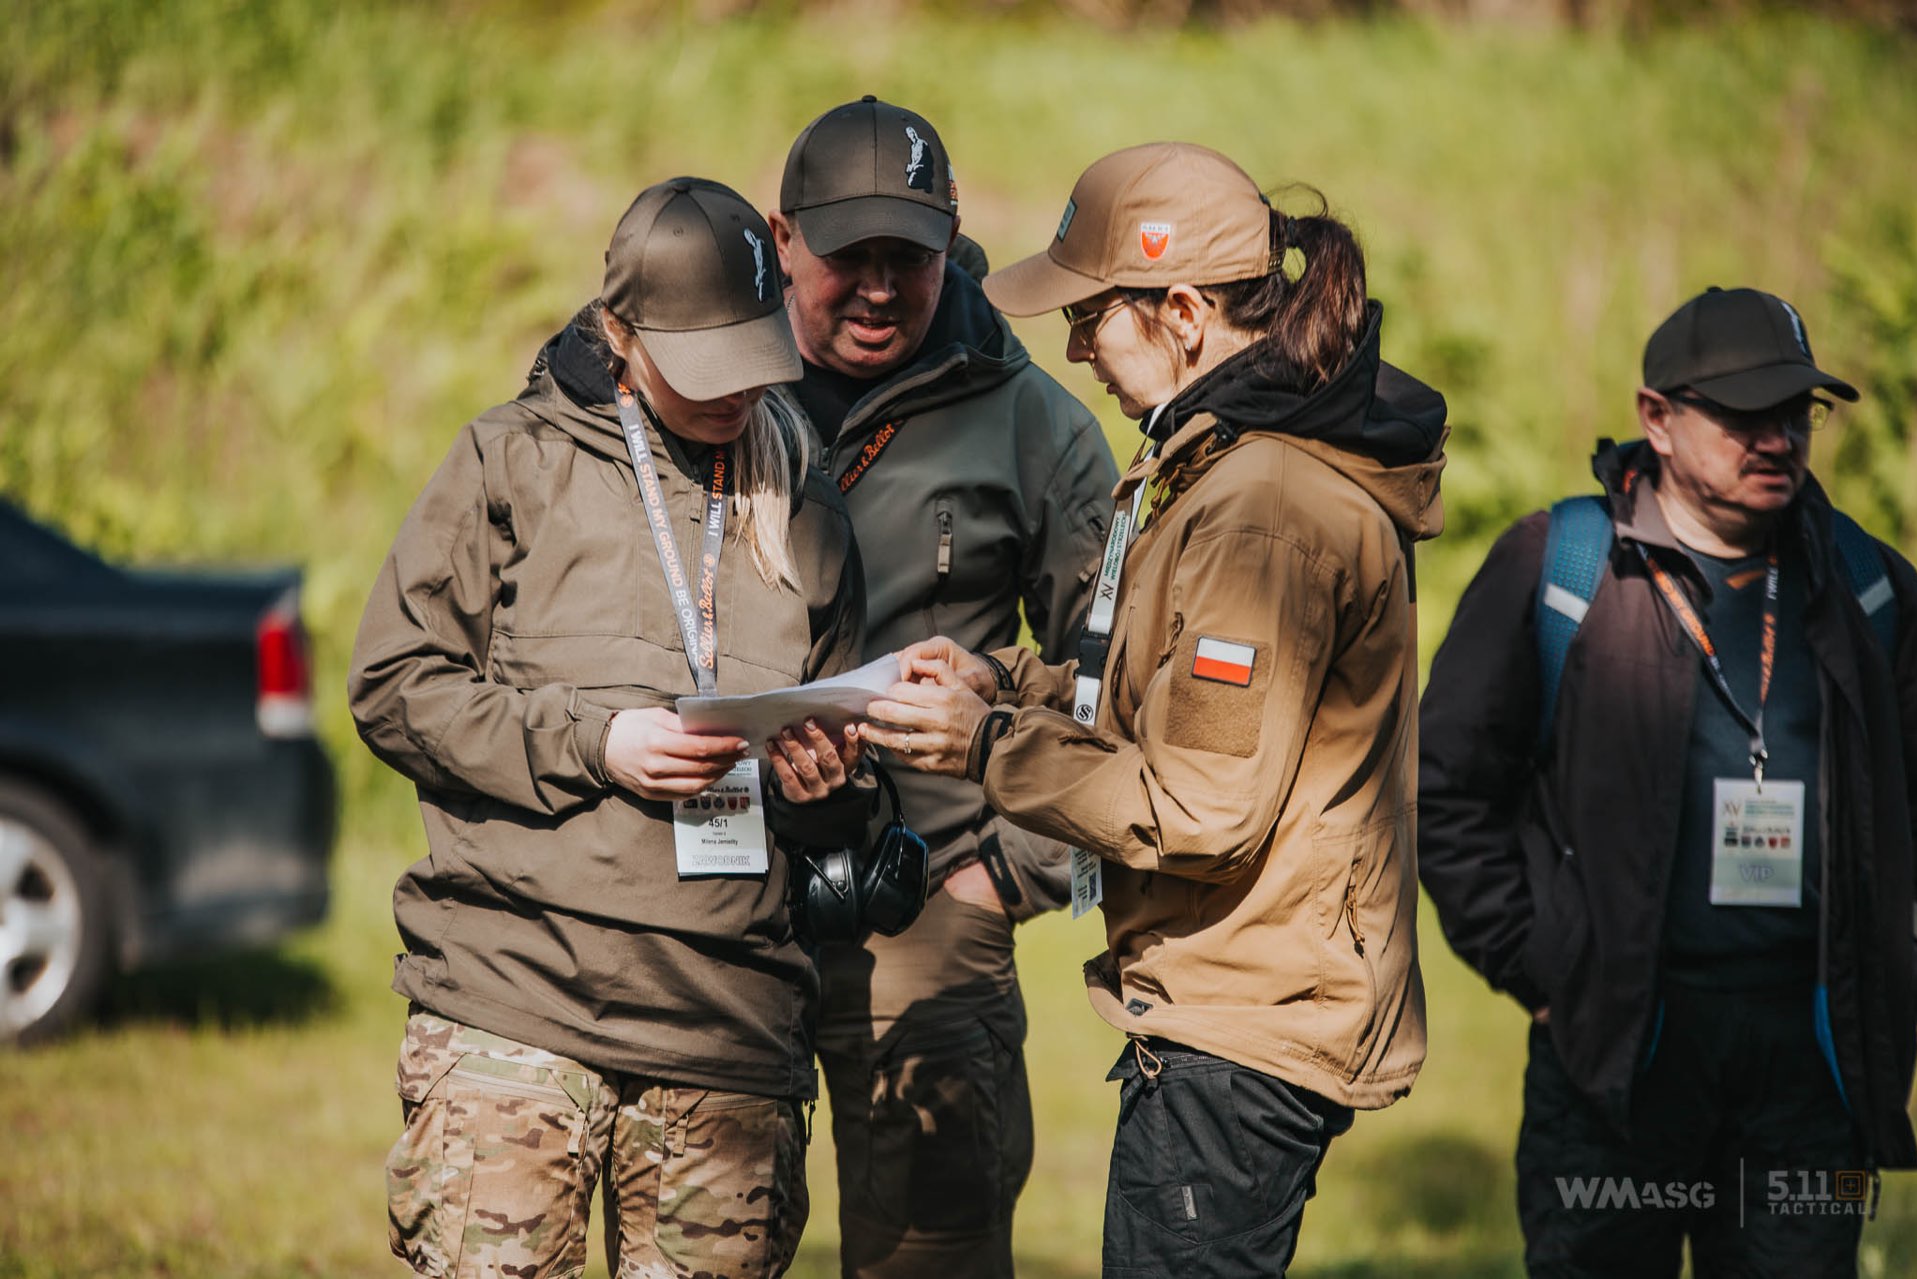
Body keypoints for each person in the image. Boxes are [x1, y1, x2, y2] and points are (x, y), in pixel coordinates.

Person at [860, 142, 1446, 1275]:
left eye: (1091, 318)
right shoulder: (1220, 463)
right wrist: (1003, 681)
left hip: (1241, 1030)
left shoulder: (1263, 505)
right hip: (1229, 1008)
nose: (1075, 351)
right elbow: (1156, 700)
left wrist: (985, 747)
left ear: (1183, 311)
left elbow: (1201, 804)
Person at [350, 177, 874, 1279]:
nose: (736, 392)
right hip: (516, 1002)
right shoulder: (509, 462)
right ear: (621, 334)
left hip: (727, 1035)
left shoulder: (806, 504)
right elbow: (396, 686)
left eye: (753, 357)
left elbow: (843, 786)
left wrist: (828, 786)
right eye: (704, 365)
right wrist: (596, 743)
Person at [1418, 286, 1917, 1277]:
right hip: (1615, 1053)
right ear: (1656, 417)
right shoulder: (1562, 565)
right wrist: (1542, 969)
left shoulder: (1869, 584)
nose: (1778, 438)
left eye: (1798, 411)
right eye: (1744, 412)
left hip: (1811, 1066)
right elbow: (1448, 790)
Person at [767, 96, 1119, 1278]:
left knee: (932, 1252)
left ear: (953, 236)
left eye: (908, 257)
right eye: (848, 255)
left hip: (927, 905)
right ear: (782, 239)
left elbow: (1116, 684)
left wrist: (1008, 872)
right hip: (713, 902)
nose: (878, 288)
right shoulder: (711, 379)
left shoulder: (1034, 422)